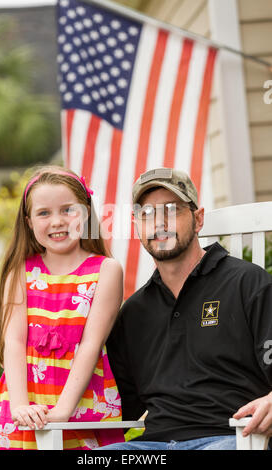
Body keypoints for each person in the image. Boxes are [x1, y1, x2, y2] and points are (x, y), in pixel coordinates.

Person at [99, 167, 272, 451]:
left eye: (171, 210)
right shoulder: (134, 313)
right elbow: (116, 406)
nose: (159, 223)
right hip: (154, 447)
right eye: (147, 214)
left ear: (198, 218)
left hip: (231, 439)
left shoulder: (246, 283)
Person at [0, 165, 125, 450]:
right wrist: (20, 406)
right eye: (44, 213)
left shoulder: (105, 271)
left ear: (86, 213)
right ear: (28, 221)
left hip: (82, 402)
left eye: (67, 210)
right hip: (24, 404)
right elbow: (13, 341)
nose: (57, 221)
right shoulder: (20, 272)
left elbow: (90, 343)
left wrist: (63, 411)